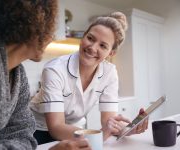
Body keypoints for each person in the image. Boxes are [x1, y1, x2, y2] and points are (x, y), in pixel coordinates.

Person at [0, 0, 91, 150]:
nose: (51, 37)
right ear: (35, 26)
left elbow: (23, 135)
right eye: (50, 29)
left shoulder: (17, 73)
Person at [30, 11, 148, 145]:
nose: (92, 47)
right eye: (90, 38)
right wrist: (99, 135)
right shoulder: (55, 69)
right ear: (83, 36)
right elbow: (56, 128)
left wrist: (127, 129)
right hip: (38, 131)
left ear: (111, 53)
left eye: (103, 45)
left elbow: (108, 122)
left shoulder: (110, 72)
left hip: (76, 130)